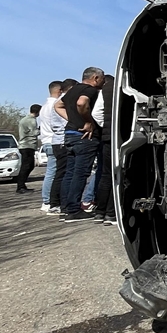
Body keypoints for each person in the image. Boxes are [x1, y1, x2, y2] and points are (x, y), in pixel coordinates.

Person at [56, 67, 104, 224]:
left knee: (69, 173)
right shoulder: (90, 90)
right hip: (84, 137)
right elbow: (82, 103)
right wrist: (87, 121)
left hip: (69, 135)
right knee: (80, 173)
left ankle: (65, 208)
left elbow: (57, 106)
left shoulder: (72, 90)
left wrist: (72, 119)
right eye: (102, 79)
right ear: (95, 78)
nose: (103, 83)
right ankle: (74, 210)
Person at [91, 74, 117, 225]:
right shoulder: (123, 86)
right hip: (121, 137)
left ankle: (99, 212)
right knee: (120, 175)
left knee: (105, 175)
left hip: (107, 138)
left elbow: (96, 113)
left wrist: (105, 126)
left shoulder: (105, 89)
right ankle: (111, 213)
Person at [38, 81, 67, 213]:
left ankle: (47, 200)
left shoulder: (44, 106)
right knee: (54, 172)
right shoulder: (54, 106)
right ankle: (48, 201)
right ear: (59, 90)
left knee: (52, 172)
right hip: (53, 140)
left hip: (46, 140)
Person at [15, 104, 41, 193]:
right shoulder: (32, 121)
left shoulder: (24, 119)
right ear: (38, 111)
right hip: (28, 145)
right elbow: (34, 133)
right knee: (27, 166)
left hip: (24, 145)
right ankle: (20, 186)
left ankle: (22, 185)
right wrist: (41, 130)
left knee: (29, 165)